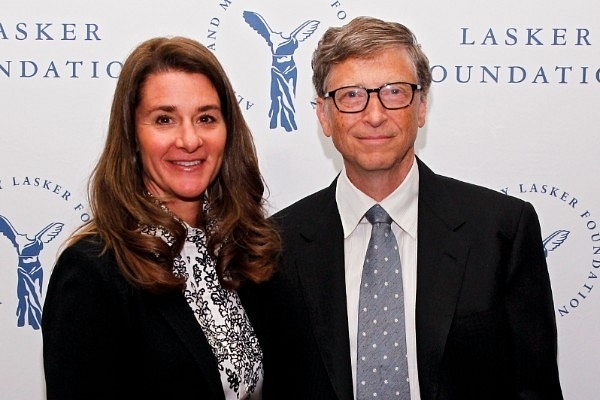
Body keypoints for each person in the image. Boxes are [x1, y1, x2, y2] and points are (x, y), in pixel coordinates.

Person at [248, 16, 563, 400]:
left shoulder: (501, 230)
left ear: (421, 108)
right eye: (351, 95)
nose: (375, 114)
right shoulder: (274, 246)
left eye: (394, 92)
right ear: (323, 116)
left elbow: (535, 387)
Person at [41, 36, 280, 400]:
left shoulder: (245, 252)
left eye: (206, 118)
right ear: (132, 134)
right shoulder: (92, 272)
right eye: (164, 119)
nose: (189, 139)